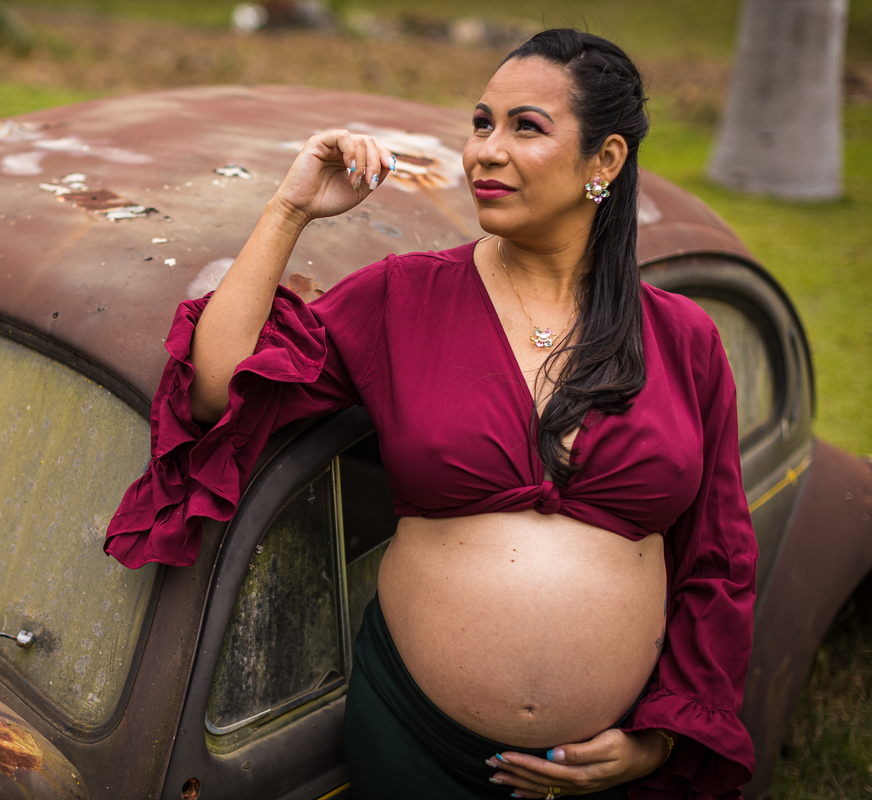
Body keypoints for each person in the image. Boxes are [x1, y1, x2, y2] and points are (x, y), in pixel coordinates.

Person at [105, 28, 757, 800]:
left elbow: (717, 557)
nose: (485, 150)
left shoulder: (683, 339)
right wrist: (291, 208)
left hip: (605, 766)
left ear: (605, 161)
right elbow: (217, 386)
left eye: (526, 127)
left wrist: (657, 740)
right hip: (415, 742)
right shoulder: (402, 300)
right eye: (481, 123)